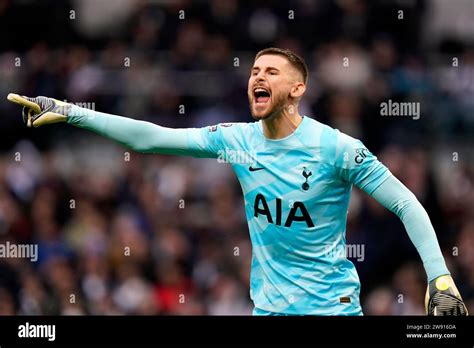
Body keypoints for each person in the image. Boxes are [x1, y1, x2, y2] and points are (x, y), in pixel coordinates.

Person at [7, 47, 468, 316]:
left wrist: (440, 277)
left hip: (330, 309)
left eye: (270, 72)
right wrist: (72, 112)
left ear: (298, 89)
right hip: (266, 310)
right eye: (253, 72)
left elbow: (407, 204)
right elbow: (151, 138)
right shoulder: (237, 139)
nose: (257, 78)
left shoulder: (337, 148)